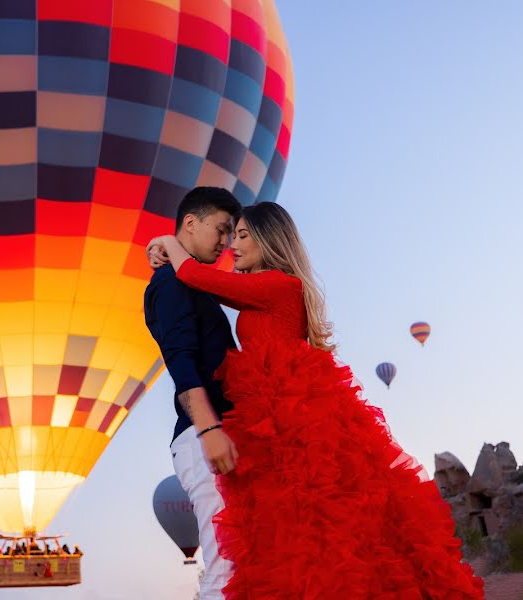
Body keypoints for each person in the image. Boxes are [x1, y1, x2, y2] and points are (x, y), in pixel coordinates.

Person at [146, 202, 483, 598]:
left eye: (240, 235)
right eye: (228, 233)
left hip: (295, 414)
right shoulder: (262, 288)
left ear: (269, 240)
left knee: (319, 523)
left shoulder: (280, 285)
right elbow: (200, 285)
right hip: (277, 416)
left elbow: (192, 275)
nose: (230, 246)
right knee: (303, 529)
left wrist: (166, 240)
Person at [143, 187, 241, 598]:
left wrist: (164, 243)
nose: (226, 242)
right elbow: (181, 360)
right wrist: (208, 429)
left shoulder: (190, 281)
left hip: (220, 430)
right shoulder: (169, 283)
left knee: (240, 557)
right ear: (190, 222)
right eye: (221, 229)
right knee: (225, 561)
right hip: (205, 434)